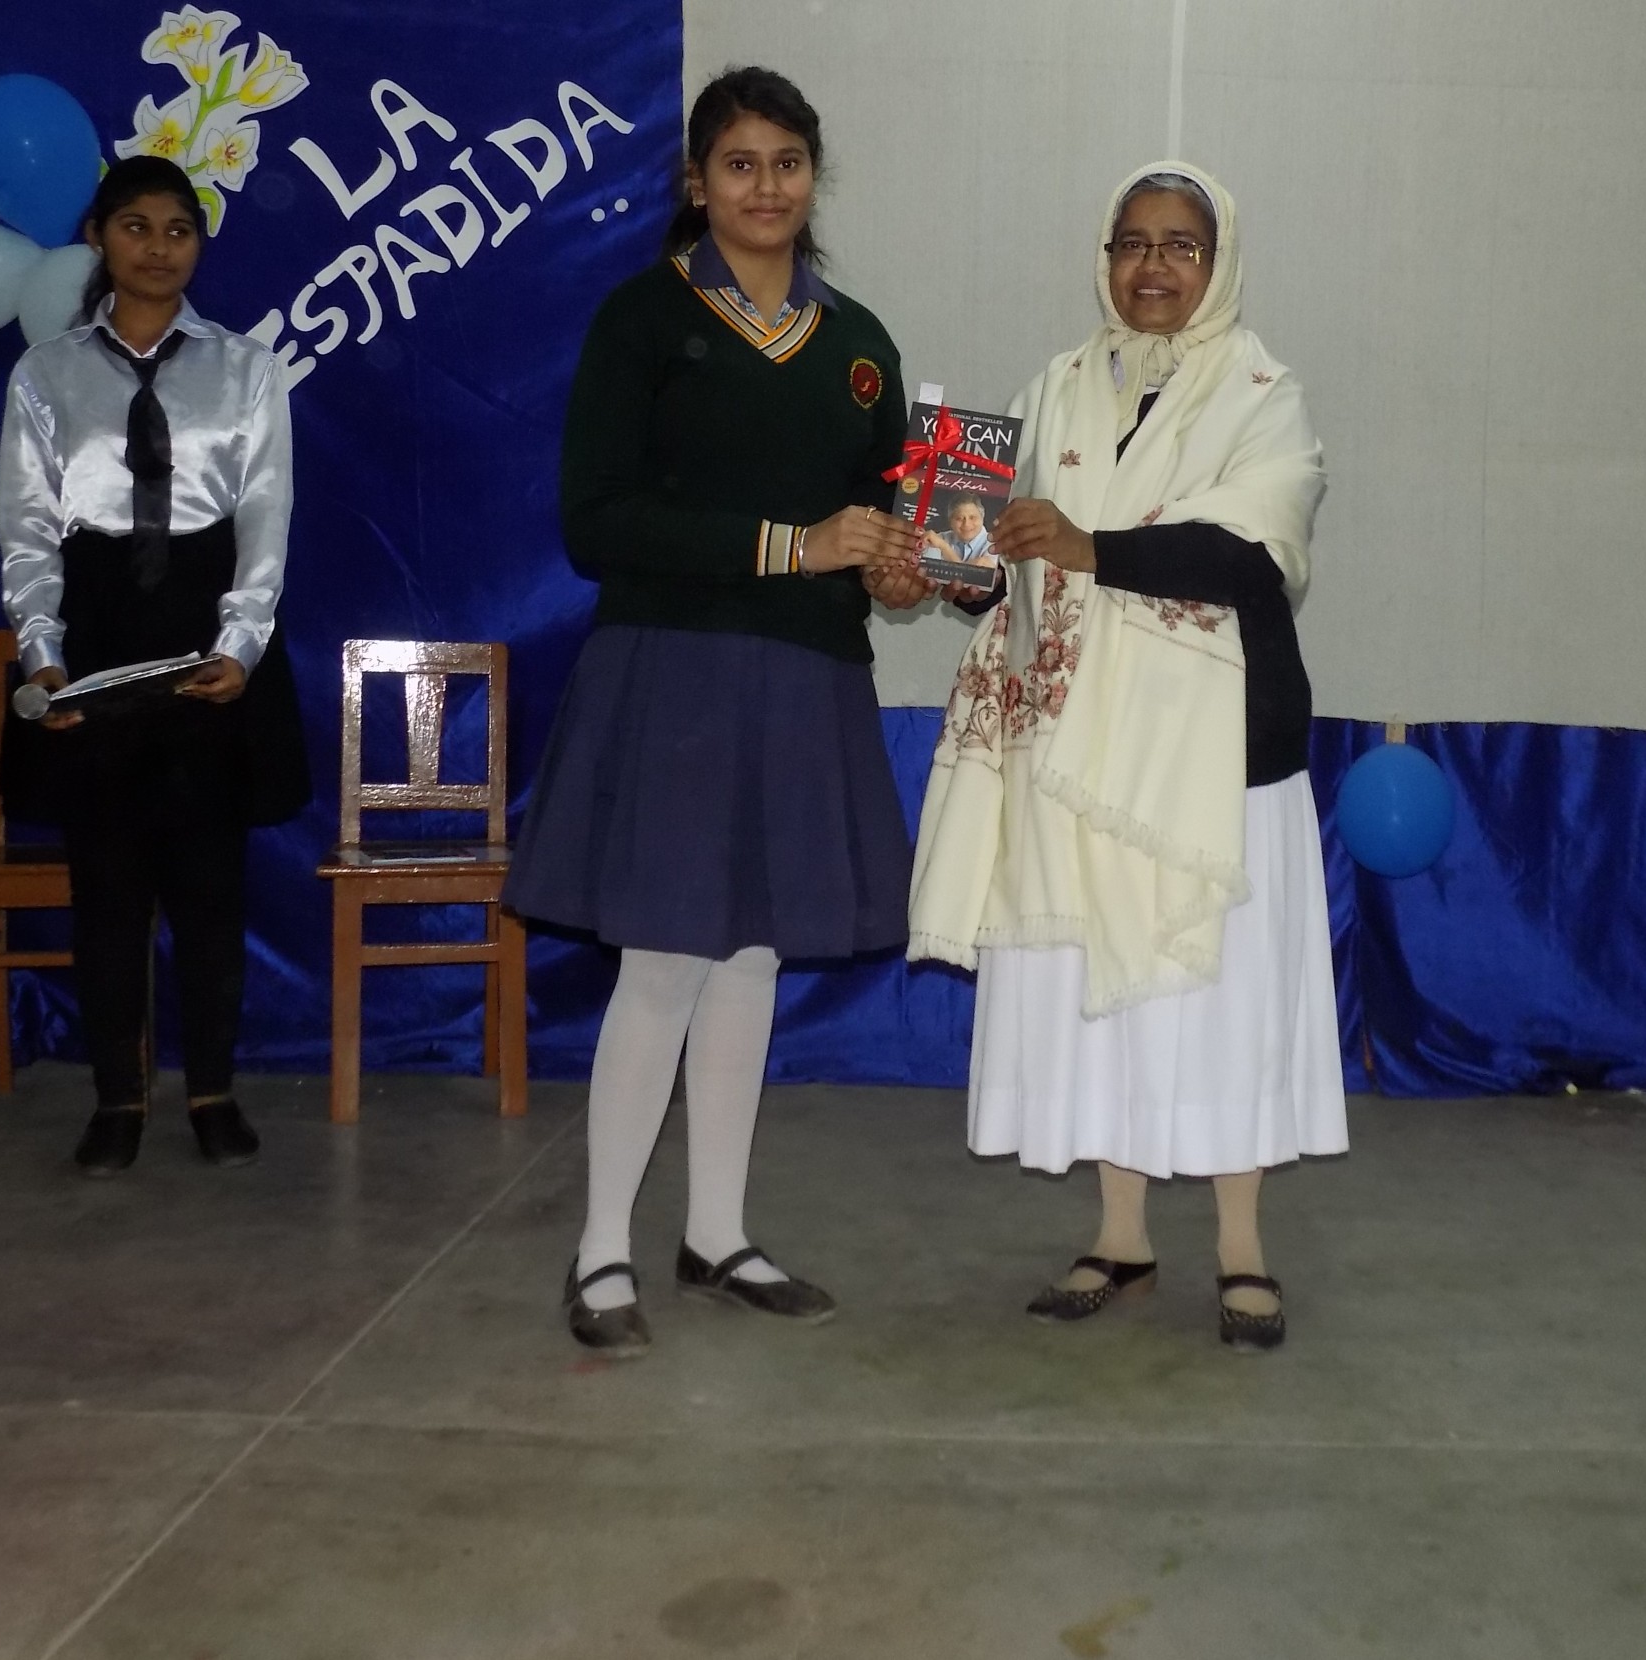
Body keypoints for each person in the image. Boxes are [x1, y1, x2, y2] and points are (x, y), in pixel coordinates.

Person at [507, 67, 925, 1355]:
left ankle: (717, 1235)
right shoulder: (641, 318)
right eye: (739, 164)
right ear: (697, 180)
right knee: (665, 958)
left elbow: (887, 521)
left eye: (787, 162)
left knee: (751, 958)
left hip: (807, 674)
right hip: (674, 670)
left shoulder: (859, 345)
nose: (765, 187)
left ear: (814, 177)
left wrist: (904, 568)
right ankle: (600, 1251)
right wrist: (793, 547)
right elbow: (596, 523)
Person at [909, 163, 1343, 1352]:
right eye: (1131, 243)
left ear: (1219, 263)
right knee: (1093, 990)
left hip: (1217, 756)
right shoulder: (1053, 387)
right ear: (1103, 259)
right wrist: (938, 567)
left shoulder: (1262, 393)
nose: (1152, 267)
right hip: (1075, 742)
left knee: (1223, 994)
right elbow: (1009, 566)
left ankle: (1242, 1253)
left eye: (1179, 245)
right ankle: (1120, 1237)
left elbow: (1252, 557)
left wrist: (1087, 546)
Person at [0, 155, 308, 1176]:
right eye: (136, 226)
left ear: (199, 246)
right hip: (95, 626)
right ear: (98, 236)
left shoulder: (245, 367)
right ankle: (116, 1100)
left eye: (179, 230)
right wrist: (44, 657)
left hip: (207, 619)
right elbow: (27, 529)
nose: (159, 248)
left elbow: (265, 513)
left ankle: (213, 1091)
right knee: (108, 884)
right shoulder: (46, 373)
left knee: (211, 881)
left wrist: (242, 644)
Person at [924, 494, 998, 568]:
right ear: (950, 521)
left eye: (972, 518)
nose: (966, 524)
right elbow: (927, 572)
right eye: (959, 518)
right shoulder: (939, 538)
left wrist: (944, 547)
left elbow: (967, 574)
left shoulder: (995, 545)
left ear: (982, 518)